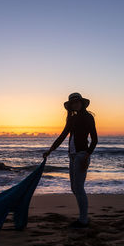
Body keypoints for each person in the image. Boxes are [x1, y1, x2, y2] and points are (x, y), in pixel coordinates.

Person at [43, 92, 98, 228]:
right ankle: (83, 217)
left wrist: (87, 155)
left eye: (77, 102)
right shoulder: (72, 119)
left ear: (81, 103)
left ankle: (83, 220)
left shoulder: (88, 117)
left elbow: (95, 139)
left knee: (78, 188)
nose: (75, 104)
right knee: (74, 188)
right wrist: (50, 150)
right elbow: (62, 136)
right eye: (73, 103)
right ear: (71, 106)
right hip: (72, 156)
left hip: (81, 155)